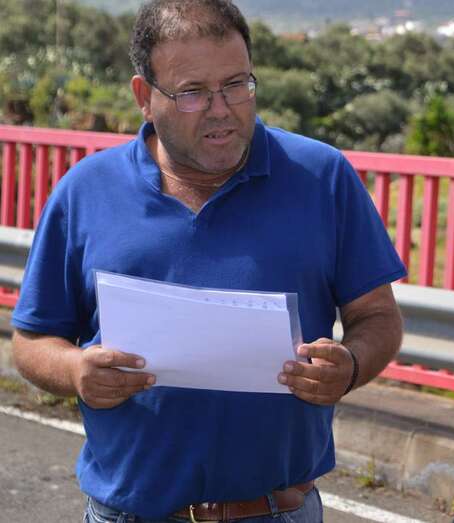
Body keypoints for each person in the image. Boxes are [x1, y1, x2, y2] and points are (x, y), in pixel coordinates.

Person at [10, 1, 405, 521]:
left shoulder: (322, 176)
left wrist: (349, 366)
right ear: (144, 97)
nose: (222, 109)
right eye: (193, 92)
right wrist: (75, 370)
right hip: (127, 512)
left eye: (237, 85)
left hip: (278, 512)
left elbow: (378, 317)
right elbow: (31, 341)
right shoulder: (86, 190)